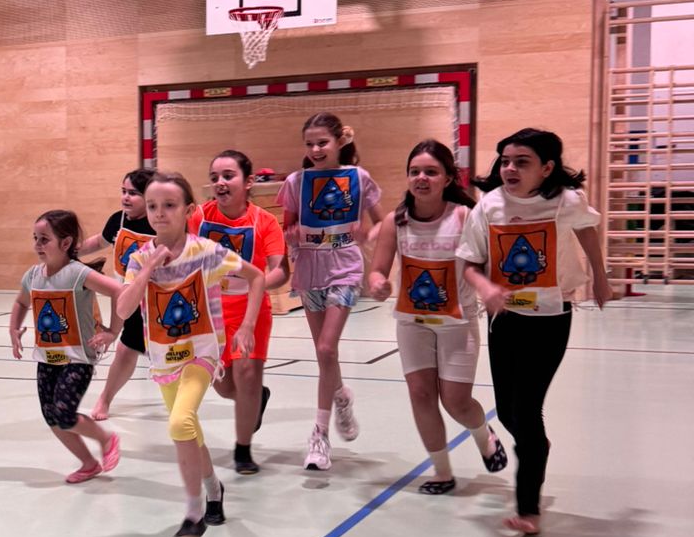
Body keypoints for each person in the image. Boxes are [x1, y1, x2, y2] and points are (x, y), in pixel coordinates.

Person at [459, 127, 609, 537]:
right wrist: (486, 287)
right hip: (504, 318)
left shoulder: (566, 201)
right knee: (507, 411)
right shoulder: (489, 206)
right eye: (505, 161)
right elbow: (469, 263)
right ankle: (536, 445)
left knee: (526, 410)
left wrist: (599, 275)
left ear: (546, 168)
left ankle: (529, 508)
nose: (509, 169)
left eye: (521, 162)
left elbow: (587, 229)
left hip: (550, 318)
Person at [116, 170, 266, 537]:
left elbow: (257, 276)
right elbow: (123, 309)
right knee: (190, 430)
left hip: (201, 353)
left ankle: (193, 511)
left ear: (188, 210)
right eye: (153, 205)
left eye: (169, 205)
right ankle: (214, 488)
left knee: (179, 422)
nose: (159, 213)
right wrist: (148, 270)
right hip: (163, 357)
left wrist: (247, 325)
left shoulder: (206, 252)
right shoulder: (139, 258)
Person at [368, 140, 507, 494]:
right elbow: (378, 269)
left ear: (447, 178)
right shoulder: (395, 221)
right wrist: (378, 282)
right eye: (415, 171)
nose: (421, 178)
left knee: (456, 402)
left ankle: (483, 435)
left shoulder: (464, 217)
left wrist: (490, 289)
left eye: (431, 171)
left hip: (457, 324)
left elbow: (483, 264)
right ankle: (442, 472)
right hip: (412, 324)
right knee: (421, 395)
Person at [278, 111, 382, 473]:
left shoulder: (359, 178)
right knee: (325, 356)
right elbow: (287, 228)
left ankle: (319, 435)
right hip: (310, 270)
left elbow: (382, 223)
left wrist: (367, 236)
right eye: (309, 144)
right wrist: (291, 235)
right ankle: (341, 395)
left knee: (326, 348)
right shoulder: (295, 182)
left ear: (340, 141)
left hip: (346, 269)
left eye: (322, 142)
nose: (316, 149)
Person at [189, 149, 288, 474]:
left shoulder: (265, 221)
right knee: (224, 386)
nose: (220, 182)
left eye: (228, 176)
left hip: (250, 309)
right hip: (210, 310)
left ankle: (243, 450)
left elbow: (280, 271)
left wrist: (255, 284)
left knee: (246, 374)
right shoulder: (198, 217)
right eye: (214, 177)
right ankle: (257, 398)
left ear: (248, 182)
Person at [10, 210, 124, 483]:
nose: (38, 245)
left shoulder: (78, 274)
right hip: (47, 357)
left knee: (63, 413)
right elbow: (21, 301)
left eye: (44, 239)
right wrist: (14, 329)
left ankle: (106, 439)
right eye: (35, 238)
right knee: (51, 416)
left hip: (77, 358)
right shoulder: (33, 276)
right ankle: (88, 464)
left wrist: (112, 332)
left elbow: (118, 290)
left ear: (65, 243)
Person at [77, 167, 164, 423]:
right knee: (125, 350)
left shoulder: (159, 223)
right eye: (123, 191)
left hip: (159, 301)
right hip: (131, 298)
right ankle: (105, 398)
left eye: (133, 193)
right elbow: (99, 242)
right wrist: (71, 252)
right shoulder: (118, 220)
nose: (126, 197)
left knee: (170, 354)